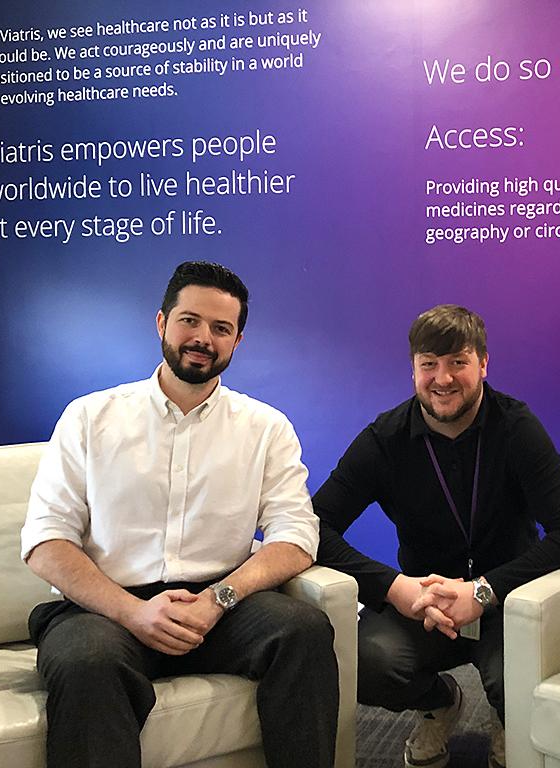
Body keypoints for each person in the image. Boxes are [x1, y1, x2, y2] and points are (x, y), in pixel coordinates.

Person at [21, 261, 338, 768]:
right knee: (87, 662)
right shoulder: (89, 417)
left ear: (238, 342)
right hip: (105, 609)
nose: (203, 338)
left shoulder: (267, 428)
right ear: (161, 322)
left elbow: (296, 535)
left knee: (303, 630)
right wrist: (133, 612)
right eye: (190, 320)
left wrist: (218, 599)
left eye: (221, 328)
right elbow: (45, 541)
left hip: (219, 604)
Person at [314, 304, 560, 768]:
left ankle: (508, 719)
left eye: (457, 363)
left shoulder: (517, 428)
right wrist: (393, 588)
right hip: (424, 605)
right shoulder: (385, 439)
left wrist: (483, 592)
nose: (442, 379)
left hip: (509, 601)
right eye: (429, 364)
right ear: (413, 371)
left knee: (517, 680)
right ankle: (440, 702)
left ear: (484, 364)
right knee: (364, 662)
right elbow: (313, 527)